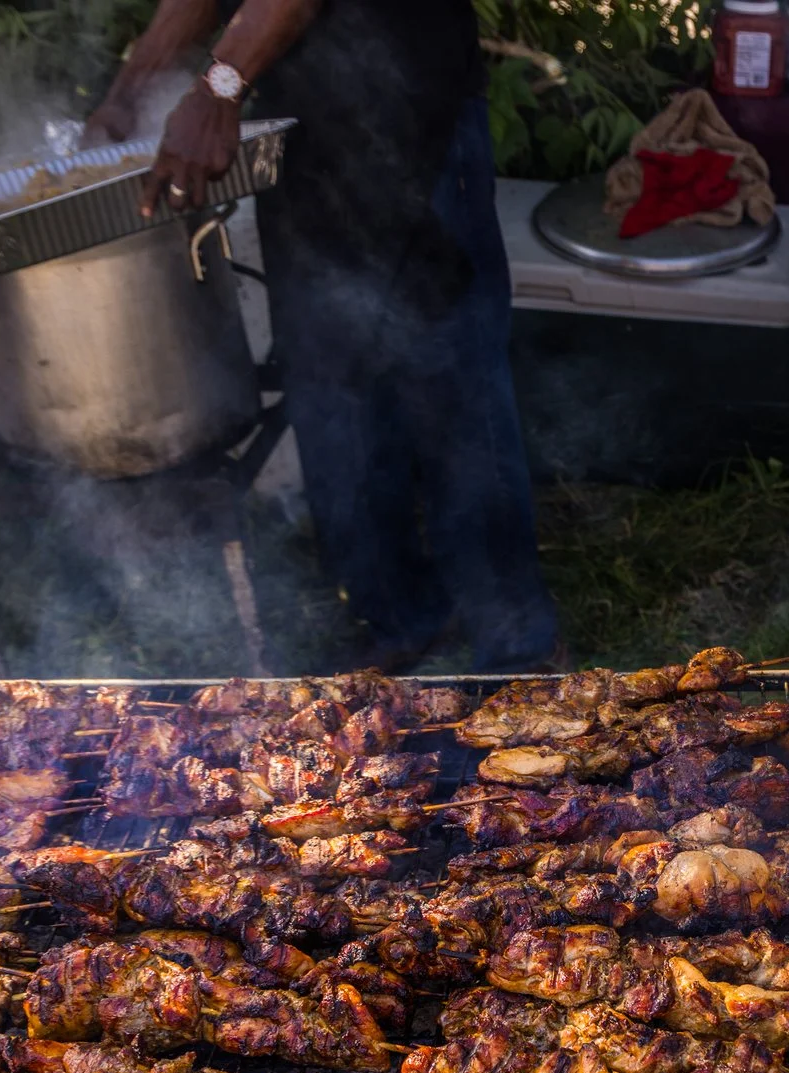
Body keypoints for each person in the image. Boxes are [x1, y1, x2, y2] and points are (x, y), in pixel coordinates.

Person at [89, 0, 560, 673]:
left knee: (452, 387)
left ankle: (518, 645)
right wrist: (127, 94)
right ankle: (400, 620)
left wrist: (218, 88)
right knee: (333, 390)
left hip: (417, 122)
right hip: (307, 141)